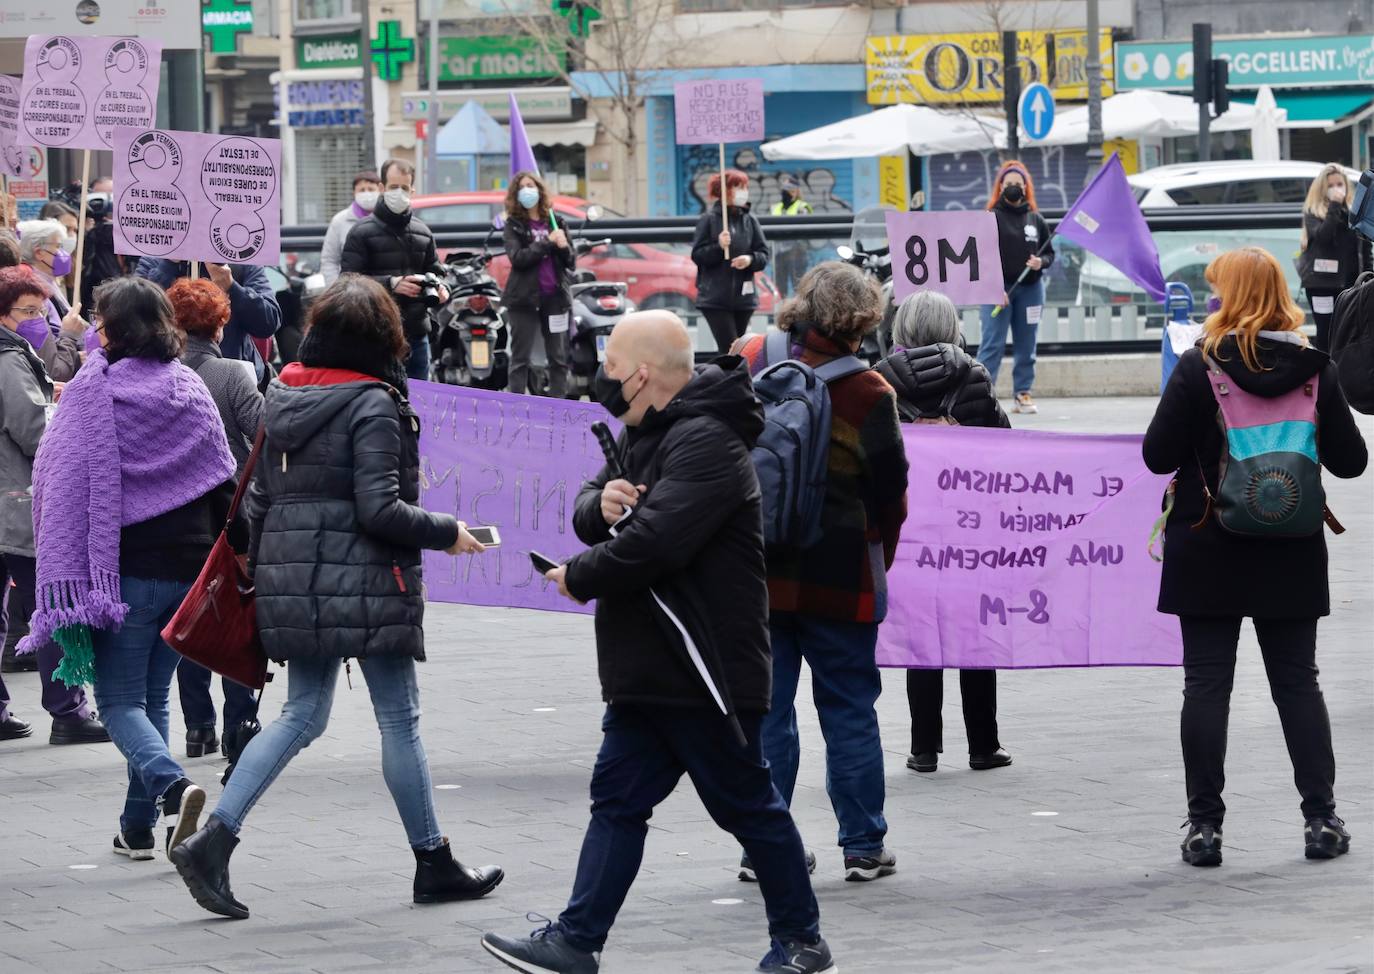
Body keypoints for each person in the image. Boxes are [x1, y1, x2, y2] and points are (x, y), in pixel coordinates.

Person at [480, 310, 837, 974]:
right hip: (650, 664)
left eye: (610, 368)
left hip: (703, 667)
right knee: (618, 801)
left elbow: (656, 542)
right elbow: (598, 505)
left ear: (641, 374)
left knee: (748, 808)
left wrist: (576, 576)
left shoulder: (709, 443)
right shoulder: (646, 431)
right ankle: (577, 940)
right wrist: (601, 506)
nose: (601, 380)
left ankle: (802, 941)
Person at [169, 274, 501, 920]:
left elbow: (258, 496)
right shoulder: (375, 402)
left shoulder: (283, 390)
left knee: (302, 714)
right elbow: (380, 509)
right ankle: (432, 861)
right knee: (397, 718)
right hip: (368, 580)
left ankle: (215, 839)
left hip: (293, 577)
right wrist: (448, 532)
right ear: (385, 338)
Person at [1143, 247, 1367, 868]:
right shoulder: (1314, 368)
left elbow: (1157, 456)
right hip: (1290, 549)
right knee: (1298, 684)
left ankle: (1205, 828)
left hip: (1206, 541)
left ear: (1230, 296)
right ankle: (1320, 819)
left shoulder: (1198, 366)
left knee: (1206, 687)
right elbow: (1352, 462)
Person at [25, 275, 237, 859]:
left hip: (124, 575)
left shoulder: (93, 395)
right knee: (155, 698)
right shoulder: (189, 387)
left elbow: (57, 483)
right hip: (192, 571)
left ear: (112, 329)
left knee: (119, 703)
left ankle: (172, 789)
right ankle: (137, 830)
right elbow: (224, 481)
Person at [736, 262, 909, 883]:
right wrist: (879, 554)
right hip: (840, 575)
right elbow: (890, 492)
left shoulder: (752, 358)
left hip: (756, 568)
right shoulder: (870, 391)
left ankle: (766, 845)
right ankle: (863, 846)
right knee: (849, 711)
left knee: (767, 711)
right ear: (863, 318)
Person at [875, 291, 1013, 774]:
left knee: (920, 633)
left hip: (911, 528)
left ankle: (924, 748)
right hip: (970, 528)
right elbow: (1005, 449)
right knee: (974, 631)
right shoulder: (973, 374)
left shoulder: (879, 381)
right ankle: (983, 745)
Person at [0, 266, 105, 745]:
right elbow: (31, 429)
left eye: (41, 310)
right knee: (53, 601)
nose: (38, 319)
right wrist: (63, 418)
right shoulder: (7, 358)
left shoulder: (13, 352)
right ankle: (67, 709)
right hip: (16, 501)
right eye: (29, 311)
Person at [167, 278, 264, 771]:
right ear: (221, 325)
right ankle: (238, 727)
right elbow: (261, 433)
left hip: (176, 513)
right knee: (233, 614)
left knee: (190, 612)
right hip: (231, 513)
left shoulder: (159, 373)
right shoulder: (231, 373)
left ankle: (198, 726)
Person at [340, 158, 449, 381]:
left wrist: (441, 287)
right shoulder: (360, 232)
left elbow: (436, 270)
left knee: (420, 404)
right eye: (393, 187)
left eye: (404, 188)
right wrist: (391, 283)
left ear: (412, 191)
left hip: (416, 335)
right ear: (381, 188)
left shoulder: (423, 232)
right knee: (377, 403)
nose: (399, 193)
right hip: (374, 335)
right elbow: (348, 282)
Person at [977, 160, 1055, 416]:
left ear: (1025, 187)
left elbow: (1050, 254)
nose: (1013, 187)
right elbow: (981, 258)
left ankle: (1023, 392)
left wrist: (1039, 262)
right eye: (1008, 183)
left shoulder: (1036, 219)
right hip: (997, 292)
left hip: (1030, 290)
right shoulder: (989, 219)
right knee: (992, 344)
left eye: (1017, 184)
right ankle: (980, 395)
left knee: (1026, 343)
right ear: (1000, 187)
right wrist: (993, 288)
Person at [137, 259, 282, 385]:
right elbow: (135, 316)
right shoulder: (155, 258)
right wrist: (168, 266)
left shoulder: (240, 258)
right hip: (167, 378)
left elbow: (268, 322)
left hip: (231, 379)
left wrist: (232, 287)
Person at [502, 171, 574, 398]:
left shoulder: (556, 221)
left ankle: (557, 406)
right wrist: (546, 242)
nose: (527, 190)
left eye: (531, 185)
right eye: (522, 187)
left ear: (540, 189)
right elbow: (518, 258)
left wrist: (563, 246)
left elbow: (570, 262)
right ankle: (516, 405)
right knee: (520, 358)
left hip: (555, 299)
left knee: (558, 357)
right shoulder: (514, 225)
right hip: (523, 300)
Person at [691, 169, 770, 352]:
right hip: (715, 298)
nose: (744, 191)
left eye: (745, 187)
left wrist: (749, 260)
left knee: (739, 348)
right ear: (724, 190)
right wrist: (719, 246)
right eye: (738, 187)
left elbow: (763, 254)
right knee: (730, 348)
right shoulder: (708, 220)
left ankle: (735, 379)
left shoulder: (750, 220)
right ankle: (731, 379)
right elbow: (698, 255)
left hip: (744, 298)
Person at [1298, 164, 1369, 352]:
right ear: (1323, 189)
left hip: (1351, 282)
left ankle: (1344, 372)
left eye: (1340, 184)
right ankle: (1325, 373)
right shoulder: (1314, 212)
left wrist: (1368, 274)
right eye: (1331, 185)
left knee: (1350, 332)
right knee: (1326, 331)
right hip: (1322, 284)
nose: (1337, 188)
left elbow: (1365, 245)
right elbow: (1324, 237)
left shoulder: (1354, 212)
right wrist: (1334, 206)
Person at [17, 218, 84, 382]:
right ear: (39, 252)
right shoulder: (31, 290)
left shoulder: (50, 281)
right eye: (58, 246)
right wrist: (72, 343)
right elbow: (52, 345)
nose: (64, 253)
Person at [320, 170, 381, 284]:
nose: (366, 193)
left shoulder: (386, 220)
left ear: (380, 190)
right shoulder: (340, 221)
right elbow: (329, 260)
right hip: (348, 293)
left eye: (371, 189)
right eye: (362, 190)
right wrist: (336, 289)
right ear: (354, 192)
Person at [771, 175, 813, 297]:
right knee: (779, 287)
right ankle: (780, 312)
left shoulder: (802, 207)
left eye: (791, 190)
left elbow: (804, 229)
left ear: (796, 191)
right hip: (779, 253)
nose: (788, 193)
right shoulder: (776, 207)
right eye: (786, 190)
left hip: (797, 253)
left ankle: (799, 313)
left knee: (799, 286)